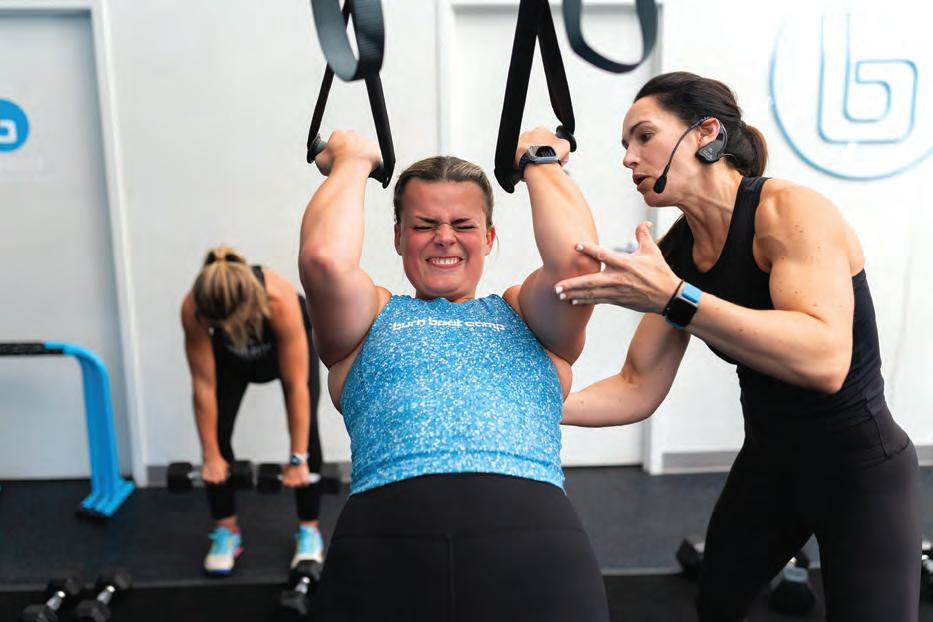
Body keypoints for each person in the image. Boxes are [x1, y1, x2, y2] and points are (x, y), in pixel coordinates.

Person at [557, 71, 920, 622]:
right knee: (717, 604)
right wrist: (531, 406)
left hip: (860, 469)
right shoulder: (679, 253)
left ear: (705, 133)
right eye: (625, 145)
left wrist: (675, 298)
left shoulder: (790, 212)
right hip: (770, 467)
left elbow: (825, 360)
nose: (629, 158)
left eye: (644, 137)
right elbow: (636, 386)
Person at [299, 128, 609, 620]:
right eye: (424, 225)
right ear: (398, 237)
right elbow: (325, 261)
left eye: (463, 224)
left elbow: (576, 260)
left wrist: (540, 160)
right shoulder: (369, 319)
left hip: (532, 552)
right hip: (385, 550)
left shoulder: (524, 314)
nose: (444, 237)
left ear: (488, 238)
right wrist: (352, 162)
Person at [181, 246, 325, 575]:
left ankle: (309, 529)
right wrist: (211, 456)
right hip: (232, 363)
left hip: (280, 353)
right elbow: (203, 386)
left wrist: (297, 459)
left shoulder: (278, 299)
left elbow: (296, 387)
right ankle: (226, 530)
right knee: (216, 434)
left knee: (307, 435)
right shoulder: (194, 308)